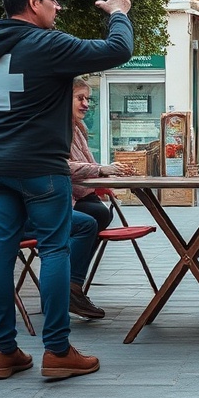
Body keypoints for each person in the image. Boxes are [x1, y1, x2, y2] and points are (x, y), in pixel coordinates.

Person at [0, 0, 132, 381]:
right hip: (40, 166)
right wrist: (118, 11)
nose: (58, 7)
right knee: (55, 249)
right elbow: (117, 50)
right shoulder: (46, 43)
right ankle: (57, 351)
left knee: (2, 251)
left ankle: (3, 352)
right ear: (33, 3)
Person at [66, 77, 136, 320]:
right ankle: (70, 287)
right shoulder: (59, 128)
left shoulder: (77, 128)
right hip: (57, 202)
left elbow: (85, 163)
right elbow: (61, 165)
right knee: (92, 218)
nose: (86, 104)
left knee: (99, 213)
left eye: (88, 99)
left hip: (77, 195)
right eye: (80, 98)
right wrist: (101, 170)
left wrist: (103, 179)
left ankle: (71, 284)